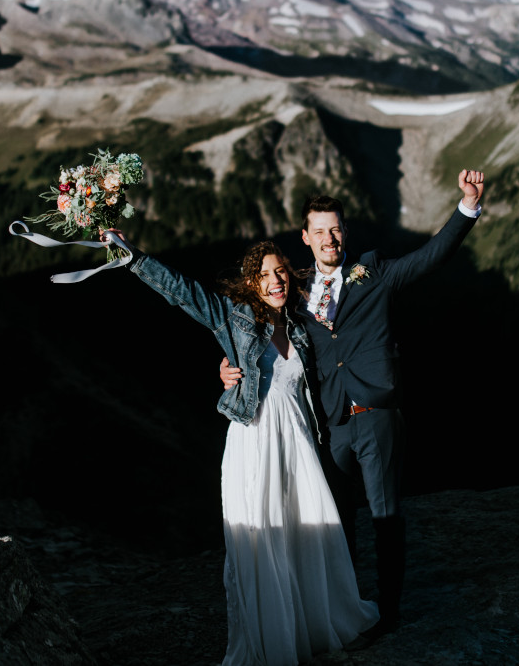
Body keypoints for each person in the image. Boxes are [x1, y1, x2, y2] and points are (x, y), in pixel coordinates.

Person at [221, 169, 485, 636]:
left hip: (377, 415)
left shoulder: (374, 273)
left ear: (346, 232)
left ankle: (389, 610)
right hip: (329, 424)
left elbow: (431, 257)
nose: (329, 238)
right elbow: (261, 330)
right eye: (319, 230)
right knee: (335, 524)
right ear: (305, 237)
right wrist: (230, 368)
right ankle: (342, 607)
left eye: (336, 229)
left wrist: (467, 207)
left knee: (385, 518)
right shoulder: (293, 291)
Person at [106, 230, 379, 665]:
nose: (276, 281)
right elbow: (182, 293)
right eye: (266, 275)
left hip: (300, 446)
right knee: (265, 541)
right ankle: (277, 643)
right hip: (255, 443)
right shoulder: (233, 318)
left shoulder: (301, 325)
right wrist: (131, 255)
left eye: (281, 273)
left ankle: (322, 625)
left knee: (310, 535)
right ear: (251, 283)